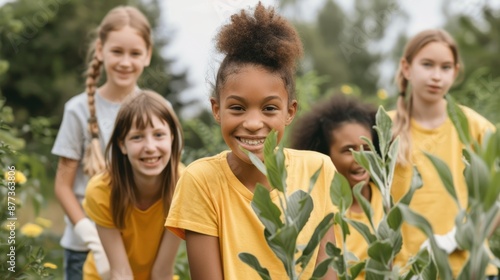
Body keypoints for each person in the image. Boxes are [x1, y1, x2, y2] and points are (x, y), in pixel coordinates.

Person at [165, 3, 337, 280]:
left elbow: (327, 271)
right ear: (217, 109)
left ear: (290, 112)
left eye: (269, 108)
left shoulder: (320, 170)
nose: (254, 123)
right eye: (237, 108)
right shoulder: (200, 181)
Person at [51, 6, 153, 279]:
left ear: (148, 55)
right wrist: (90, 236)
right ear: (100, 50)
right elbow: (63, 185)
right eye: (117, 51)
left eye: (135, 53)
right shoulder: (78, 110)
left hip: (135, 245)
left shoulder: (156, 110)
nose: (125, 62)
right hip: (84, 248)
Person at [389, 28, 496, 277]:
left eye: (445, 67)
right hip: (408, 270)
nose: (436, 76)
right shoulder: (386, 128)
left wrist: (459, 237)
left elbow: (495, 199)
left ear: (456, 72)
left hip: (471, 269)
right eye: (427, 65)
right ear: (407, 68)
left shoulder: (475, 127)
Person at [82, 90, 183, 279]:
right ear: (122, 144)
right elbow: (120, 272)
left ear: (172, 138)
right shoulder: (101, 191)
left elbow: (162, 271)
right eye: (137, 137)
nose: (150, 147)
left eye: (159, 134)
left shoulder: (185, 185)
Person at [290, 94, 383, 279]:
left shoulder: (387, 199)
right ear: (324, 155)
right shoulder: (318, 211)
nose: (361, 158)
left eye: (367, 148)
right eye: (349, 150)